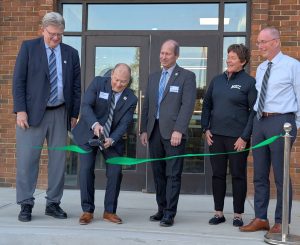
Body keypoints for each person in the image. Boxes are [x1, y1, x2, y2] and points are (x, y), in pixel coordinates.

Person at [12, 12, 81, 222]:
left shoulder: (71, 53)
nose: (56, 38)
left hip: (60, 113)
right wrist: (20, 110)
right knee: (27, 160)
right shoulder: (28, 48)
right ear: (43, 29)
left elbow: (76, 86)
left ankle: (53, 203)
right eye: (52, 34)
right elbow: (18, 81)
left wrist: (74, 114)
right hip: (31, 115)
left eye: (60, 35)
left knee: (59, 162)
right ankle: (26, 204)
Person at [240, 27, 300, 234]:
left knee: (281, 175)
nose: (259, 46)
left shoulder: (293, 66)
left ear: (276, 41)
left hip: (282, 122)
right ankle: (260, 217)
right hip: (260, 121)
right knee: (259, 174)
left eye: (263, 42)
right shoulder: (262, 67)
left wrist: (294, 126)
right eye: (258, 43)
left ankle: (281, 221)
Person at [140, 39, 196, 227]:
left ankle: (170, 214)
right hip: (154, 132)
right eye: (162, 53)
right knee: (158, 173)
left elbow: (187, 106)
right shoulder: (153, 77)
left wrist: (179, 130)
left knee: (173, 174)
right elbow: (147, 104)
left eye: (168, 53)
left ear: (176, 56)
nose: (163, 56)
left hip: (173, 134)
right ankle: (161, 209)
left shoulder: (187, 76)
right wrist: (143, 129)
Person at [72, 63, 137, 225]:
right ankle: (87, 211)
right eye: (116, 79)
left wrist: (112, 139)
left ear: (128, 81)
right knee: (86, 170)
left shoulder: (131, 98)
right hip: (89, 132)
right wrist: (95, 125)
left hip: (111, 138)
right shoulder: (98, 83)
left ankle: (109, 211)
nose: (118, 84)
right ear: (112, 75)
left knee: (115, 172)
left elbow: (125, 123)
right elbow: (86, 106)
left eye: (123, 81)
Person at [201, 44, 257, 227]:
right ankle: (218, 213)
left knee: (238, 175)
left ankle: (238, 215)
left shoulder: (249, 82)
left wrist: (245, 137)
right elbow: (207, 105)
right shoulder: (216, 80)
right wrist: (205, 128)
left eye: (233, 57)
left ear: (243, 61)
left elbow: (253, 112)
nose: (229, 60)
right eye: (228, 56)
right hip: (215, 136)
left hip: (237, 139)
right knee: (217, 174)